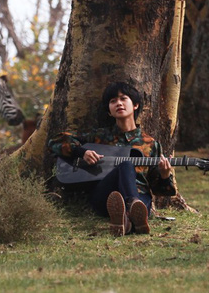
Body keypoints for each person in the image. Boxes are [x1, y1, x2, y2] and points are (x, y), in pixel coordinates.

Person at [48, 81, 177, 236]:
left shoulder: (151, 144)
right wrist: (81, 152)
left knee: (141, 202)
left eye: (123, 99)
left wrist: (164, 175)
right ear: (109, 111)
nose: (119, 103)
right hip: (106, 196)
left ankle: (126, 222)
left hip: (141, 195)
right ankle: (132, 211)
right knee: (126, 165)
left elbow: (159, 190)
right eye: (113, 101)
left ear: (135, 105)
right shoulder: (100, 137)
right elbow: (55, 141)